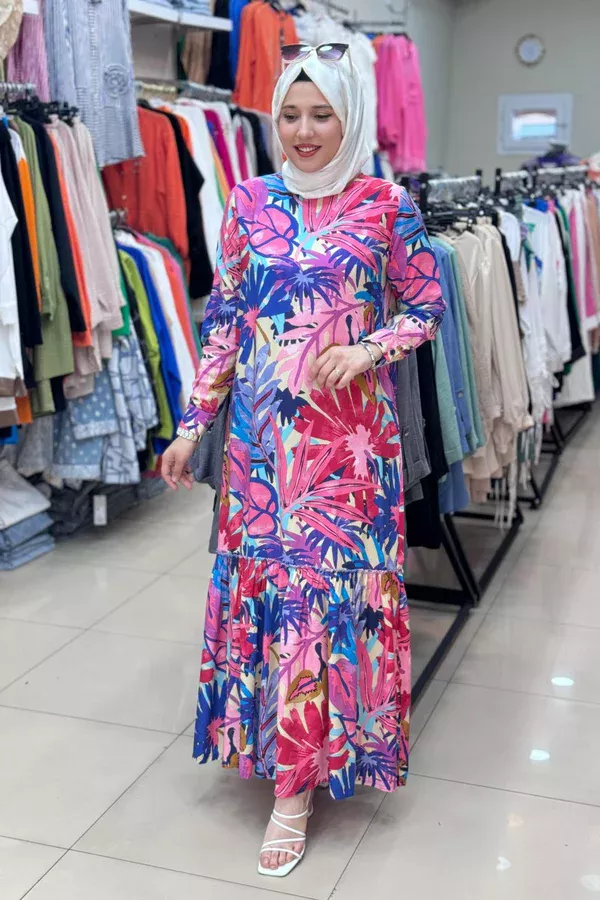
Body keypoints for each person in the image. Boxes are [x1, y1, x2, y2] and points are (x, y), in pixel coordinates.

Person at [161, 42, 445, 879]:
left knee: (327, 602)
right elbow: (226, 322)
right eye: (290, 114)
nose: (304, 130)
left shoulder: (387, 204)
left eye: (322, 114)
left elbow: (427, 303)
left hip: (351, 449)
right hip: (260, 446)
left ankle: (297, 790)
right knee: (272, 598)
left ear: (351, 116)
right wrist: (192, 425)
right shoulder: (249, 201)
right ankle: (275, 748)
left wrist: (371, 348)